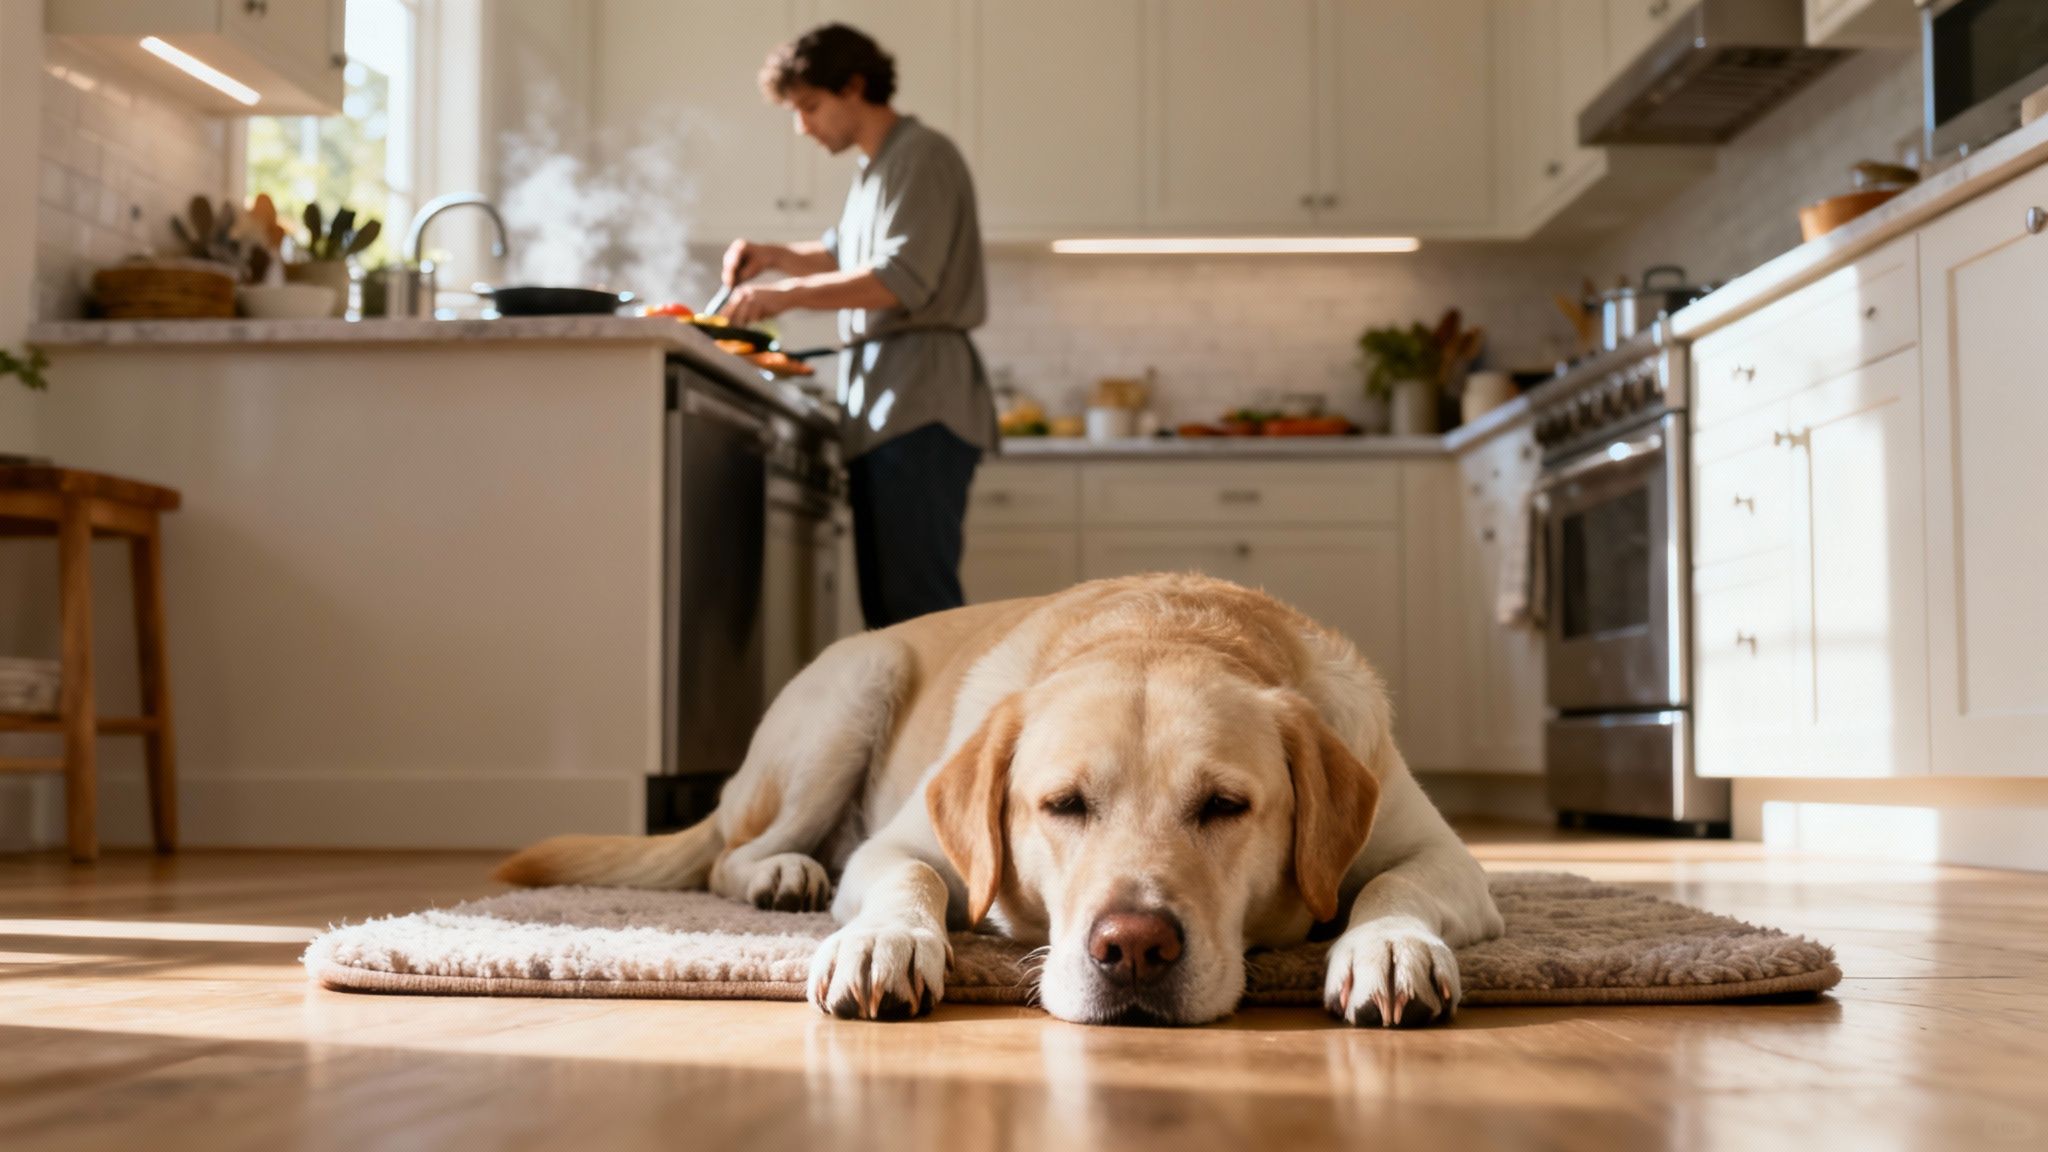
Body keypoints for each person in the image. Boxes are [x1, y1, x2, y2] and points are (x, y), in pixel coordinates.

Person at [719, 24, 996, 631]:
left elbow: (900, 280)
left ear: (855, 86)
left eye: (810, 106)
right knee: (892, 611)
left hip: (921, 401)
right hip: (888, 401)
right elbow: (847, 254)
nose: (803, 126)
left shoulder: (923, 156)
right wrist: (774, 253)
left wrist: (780, 295)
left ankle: (945, 730)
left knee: (917, 607)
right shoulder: (877, 171)